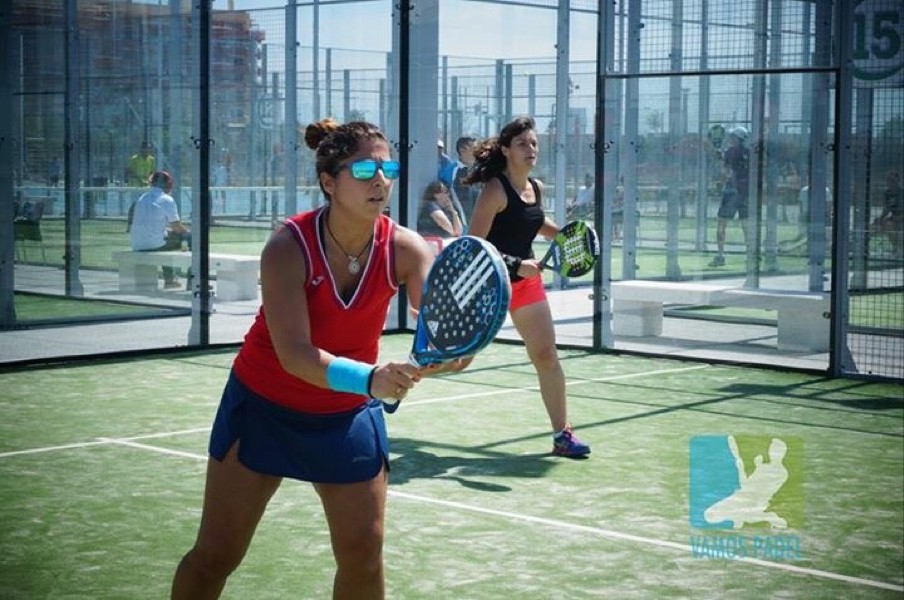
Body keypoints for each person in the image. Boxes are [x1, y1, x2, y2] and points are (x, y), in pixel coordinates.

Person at [170, 118, 468, 599]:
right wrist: (371, 378)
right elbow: (295, 354)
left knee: (364, 554)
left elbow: (438, 330)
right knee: (216, 555)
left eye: (388, 168)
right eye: (365, 169)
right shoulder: (287, 247)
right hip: (263, 407)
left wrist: (452, 354)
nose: (380, 180)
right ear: (329, 182)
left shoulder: (406, 249)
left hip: (346, 415)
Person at [464, 115, 591, 458]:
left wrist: (565, 235)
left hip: (525, 286)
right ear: (506, 150)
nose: (530, 149)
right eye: (522, 144)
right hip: (488, 284)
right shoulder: (494, 190)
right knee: (458, 360)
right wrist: (514, 264)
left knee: (546, 356)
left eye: (534, 143)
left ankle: (562, 436)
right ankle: (397, 381)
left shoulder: (535, 187)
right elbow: (473, 245)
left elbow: (532, 220)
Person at [129, 170, 190, 289]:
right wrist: (187, 232)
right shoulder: (167, 199)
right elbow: (177, 228)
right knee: (191, 239)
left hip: (137, 244)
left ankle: (170, 279)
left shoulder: (142, 198)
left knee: (165, 239)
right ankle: (193, 280)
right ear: (168, 184)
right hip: (154, 244)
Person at [709, 126, 750, 267]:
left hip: (731, 192)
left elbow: (728, 172)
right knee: (746, 224)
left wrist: (720, 183)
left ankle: (720, 256)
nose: (730, 138)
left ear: (737, 138)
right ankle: (750, 255)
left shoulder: (730, 152)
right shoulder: (749, 153)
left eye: (732, 136)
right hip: (745, 192)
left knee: (721, 223)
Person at [871, 171, 903, 258]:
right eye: (889, 180)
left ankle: (899, 248)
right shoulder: (887, 193)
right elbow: (887, 208)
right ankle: (896, 248)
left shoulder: (902, 193)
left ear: (898, 181)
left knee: (893, 226)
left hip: (901, 218)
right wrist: (881, 218)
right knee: (876, 225)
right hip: (894, 218)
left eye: (893, 181)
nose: (891, 183)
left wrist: (899, 218)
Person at [450, 136, 478, 224]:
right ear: (462, 150)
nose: (477, 152)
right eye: (474, 149)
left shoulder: (476, 170)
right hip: (460, 223)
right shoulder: (452, 171)